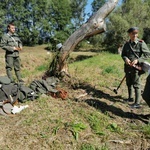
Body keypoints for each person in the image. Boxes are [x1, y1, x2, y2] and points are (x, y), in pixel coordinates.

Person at [121, 27, 150, 108]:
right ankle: (130, 98)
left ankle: (137, 103)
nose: (135, 35)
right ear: (129, 34)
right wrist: (125, 59)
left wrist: (138, 60)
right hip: (127, 67)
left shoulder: (141, 43)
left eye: (136, 33)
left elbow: (147, 54)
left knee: (136, 85)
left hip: (136, 68)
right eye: (133, 33)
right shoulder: (127, 44)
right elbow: (123, 54)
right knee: (128, 83)